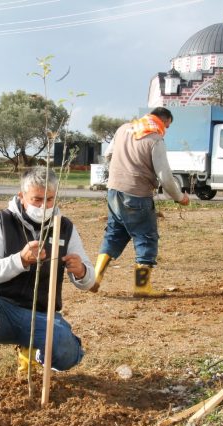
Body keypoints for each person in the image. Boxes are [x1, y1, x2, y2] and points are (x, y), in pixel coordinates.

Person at [0, 166, 95, 400]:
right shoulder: (1, 221)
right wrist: (19, 260)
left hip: (41, 314)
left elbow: (88, 281)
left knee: (68, 353)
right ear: (22, 196)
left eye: (49, 199)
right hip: (2, 312)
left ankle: (29, 357)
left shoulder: (65, 227)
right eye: (37, 199)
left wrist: (81, 271)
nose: (43, 206)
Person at [91, 107, 190, 297]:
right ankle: (142, 287)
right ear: (163, 120)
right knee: (146, 237)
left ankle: (95, 277)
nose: (166, 130)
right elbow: (165, 177)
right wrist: (179, 197)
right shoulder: (155, 140)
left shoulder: (123, 129)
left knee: (114, 233)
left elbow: (108, 155)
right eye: (167, 125)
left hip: (114, 192)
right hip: (137, 195)